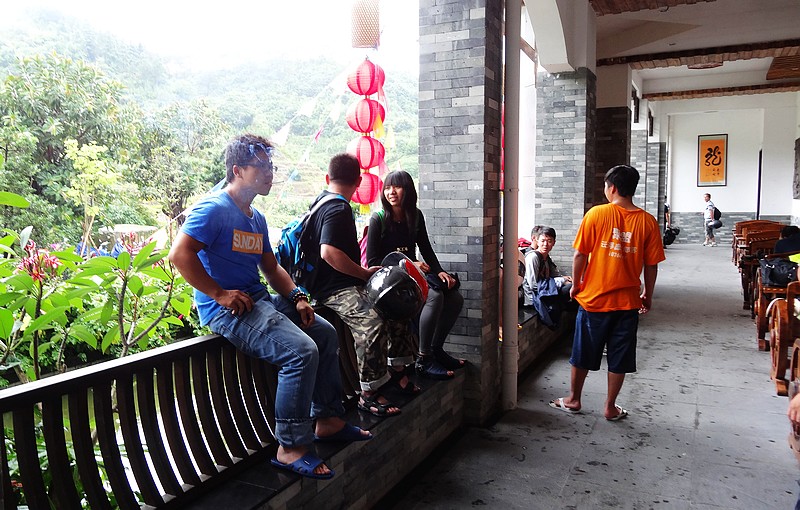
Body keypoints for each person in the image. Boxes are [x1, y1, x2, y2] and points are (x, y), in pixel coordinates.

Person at [168, 135, 370, 481]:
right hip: (228, 310)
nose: (270, 173)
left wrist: (297, 296)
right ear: (237, 170)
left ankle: (328, 420)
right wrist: (219, 294)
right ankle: (290, 447)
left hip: (258, 300)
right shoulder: (213, 208)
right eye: (261, 166)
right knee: (301, 352)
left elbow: (272, 268)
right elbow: (179, 254)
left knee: (323, 332)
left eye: (271, 166)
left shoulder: (256, 218)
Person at [303, 154, 418, 417]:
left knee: (395, 306)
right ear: (358, 181)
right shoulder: (337, 208)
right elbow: (328, 253)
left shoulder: (322, 202)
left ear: (327, 177)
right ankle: (368, 394)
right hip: (333, 288)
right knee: (372, 322)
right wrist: (364, 273)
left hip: (337, 283)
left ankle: (397, 372)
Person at [548, 165, 665, 421]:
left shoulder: (597, 214)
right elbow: (651, 265)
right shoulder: (648, 221)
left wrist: (577, 284)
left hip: (594, 300)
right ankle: (610, 407)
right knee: (620, 356)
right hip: (628, 303)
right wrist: (648, 295)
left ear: (611, 188)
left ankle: (574, 399)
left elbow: (580, 254)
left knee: (583, 351)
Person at [365, 170, 465, 380]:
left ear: (408, 190)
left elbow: (426, 248)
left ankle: (436, 349)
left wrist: (440, 271)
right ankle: (423, 358)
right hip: (389, 281)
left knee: (455, 297)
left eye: (397, 187)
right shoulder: (378, 219)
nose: (391, 192)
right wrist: (409, 264)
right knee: (434, 296)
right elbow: (373, 261)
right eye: (387, 187)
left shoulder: (415, 216)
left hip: (412, 275)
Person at [521, 226, 573, 325]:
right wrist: (561, 281)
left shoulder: (546, 258)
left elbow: (556, 275)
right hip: (535, 298)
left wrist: (566, 281)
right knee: (571, 290)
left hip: (546, 293)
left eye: (549, 241)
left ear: (554, 242)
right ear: (537, 241)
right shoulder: (533, 257)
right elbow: (533, 285)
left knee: (575, 290)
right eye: (543, 241)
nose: (545, 244)